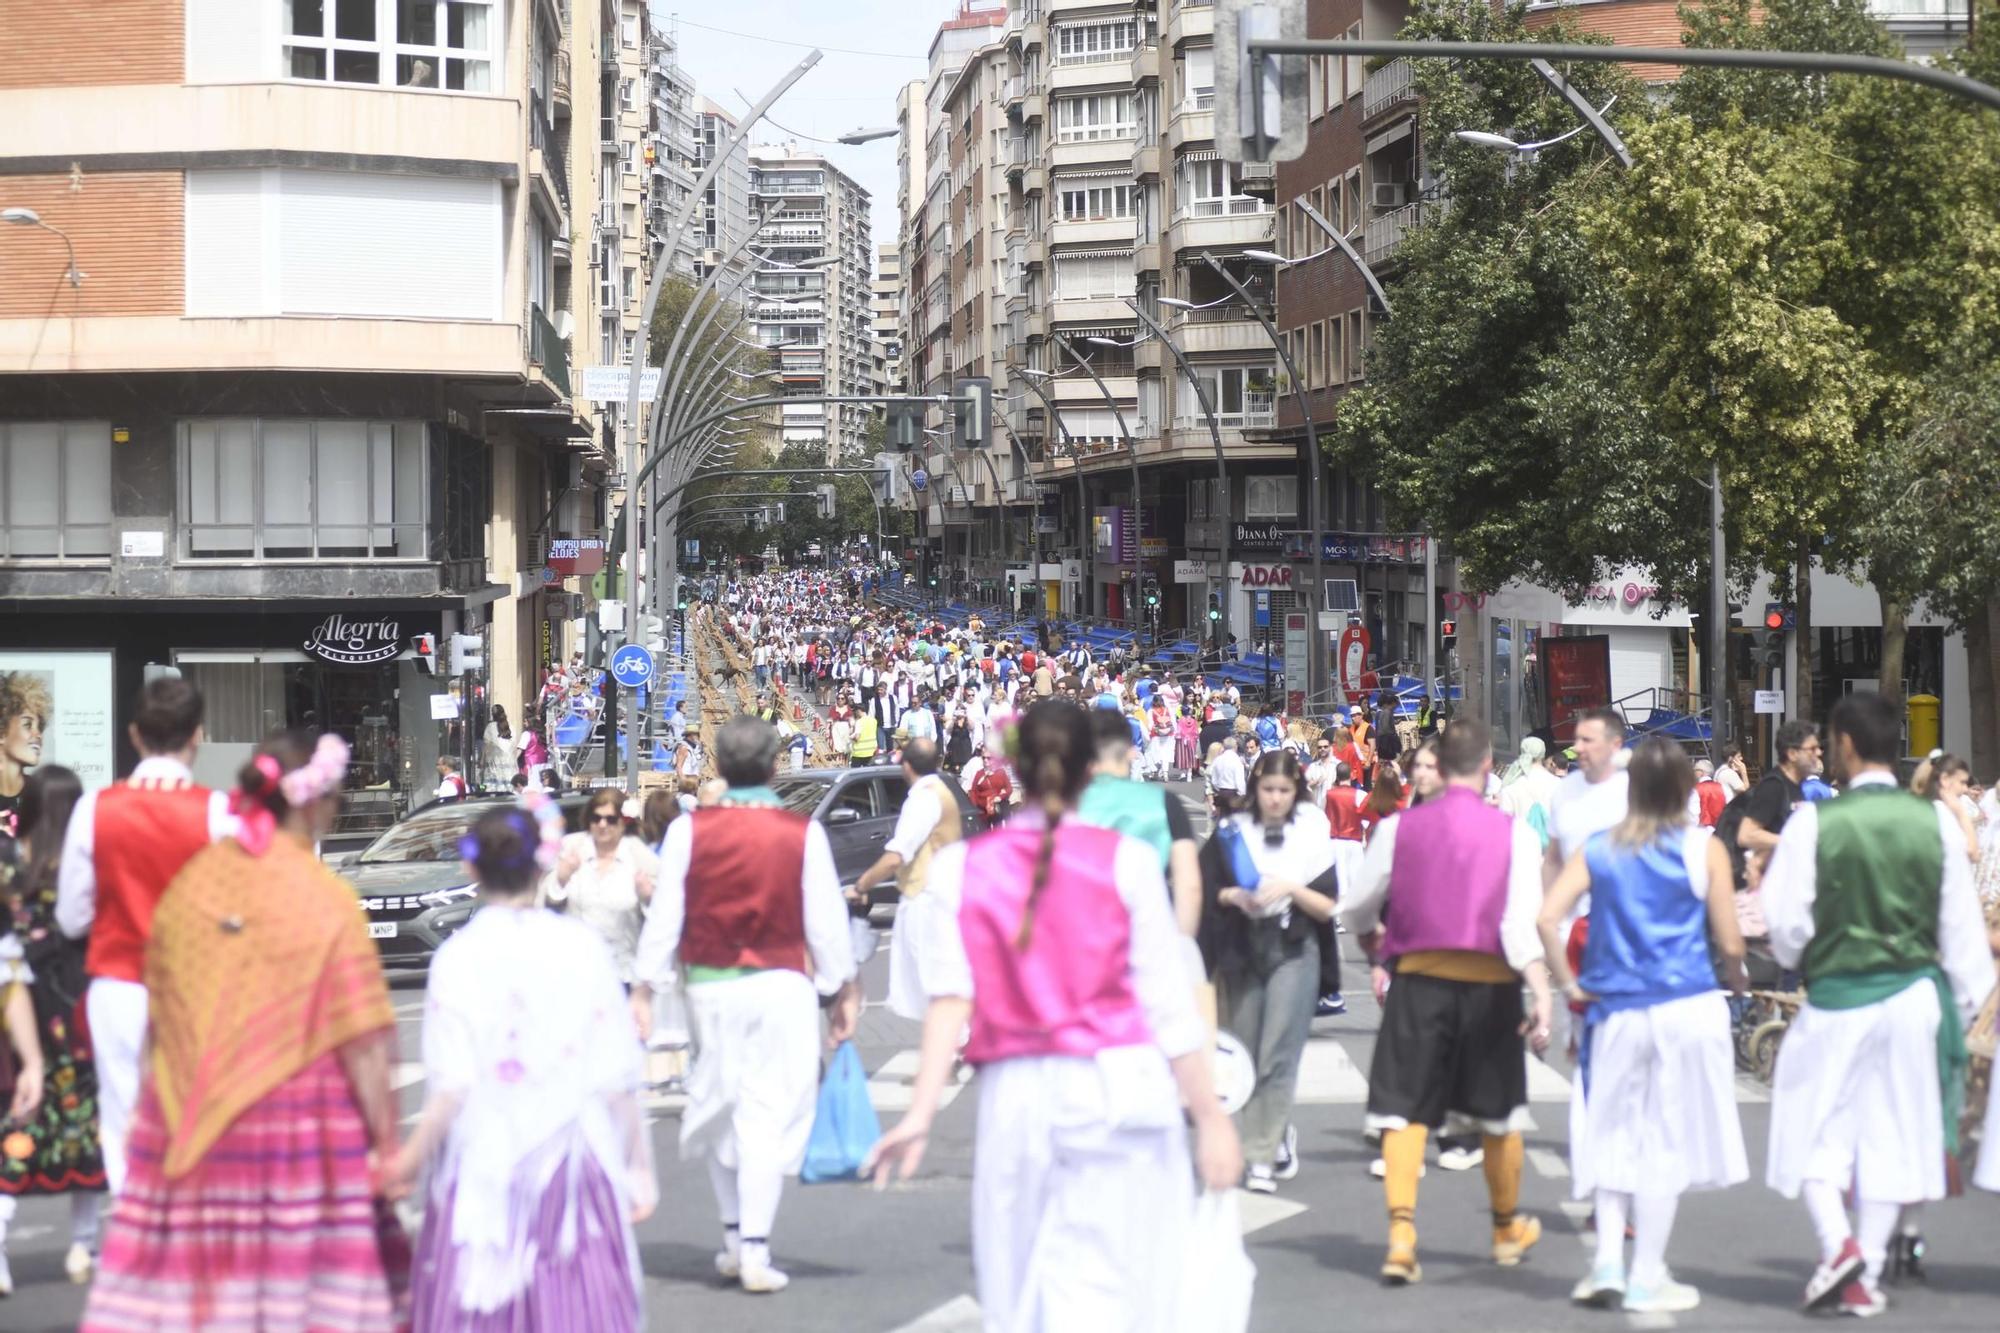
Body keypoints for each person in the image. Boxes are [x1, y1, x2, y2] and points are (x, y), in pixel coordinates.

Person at [865, 700, 1242, 1328]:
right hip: (1123, 1081)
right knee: (1122, 1280)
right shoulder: (1123, 860)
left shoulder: (964, 866)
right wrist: (1210, 1116)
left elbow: (951, 998)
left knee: (1022, 1285)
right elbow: (1167, 999)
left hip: (1021, 1091)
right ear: (1086, 768)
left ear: (1015, 767)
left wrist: (920, 1113)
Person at [81, 732, 407, 1331]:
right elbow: (364, 1039)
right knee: (294, 1289)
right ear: (312, 802)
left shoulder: (196, 884)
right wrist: (386, 1144)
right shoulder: (324, 898)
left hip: (198, 1109)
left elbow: (165, 1008)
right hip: (300, 1126)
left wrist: (156, 1108)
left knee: (207, 1285)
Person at [1760, 693, 1993, 1317]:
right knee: (1896, 1136)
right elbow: (1961, 929)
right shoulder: (1937, 822)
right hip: (1917, 996)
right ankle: (1860, 1267)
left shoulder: (1815, 822)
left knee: (1813, 1127)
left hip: (1840, 995)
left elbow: (1786, 928)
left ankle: (1842, 1249)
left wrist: (1816, 949)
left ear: (1845, 743)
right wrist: (1962, 1002)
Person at [392, 803, 655, 1331]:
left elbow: (450, 1088)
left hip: (481, 1166)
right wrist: (639, 1167)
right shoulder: (581, 947)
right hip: (572, 1163)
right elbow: (616, 1075)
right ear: (542, 864)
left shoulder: (457, 958)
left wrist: (410, 1161)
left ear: (470, 869)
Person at [631, 716, 860, 1295]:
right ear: (775, 766)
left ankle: (736, 1237)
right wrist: (841, 987)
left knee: (721, 1105)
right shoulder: (800, 832)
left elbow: (666, 917)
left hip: (707, 984)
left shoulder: (689, 831)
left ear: (720, 767)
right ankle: (752, 1245)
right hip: (781, 983)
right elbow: (826, 923)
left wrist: (644, 985)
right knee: (764, 1110)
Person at [1537, 738, 1750, 1314]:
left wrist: (1571, 983)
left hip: (1614, 1008)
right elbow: (1730, 941)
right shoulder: (1703, 849)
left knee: (1613, 1131)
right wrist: (1737, 980)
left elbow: (1547, 916)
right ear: (1686, 788)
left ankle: (1607, 1260)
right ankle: (1648, 1272)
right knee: (1666, 1137)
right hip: (1686, 1004)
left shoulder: (1601, 848)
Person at [1341, 717, 1554, 1286]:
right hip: (1490, 986)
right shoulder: (1514, 835)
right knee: (1499, 1110)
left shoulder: (1398, 830)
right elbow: (1519, 924)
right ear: (1487, 768)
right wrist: (1538, 990)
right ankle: (1506, 1228)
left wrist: (1371, 938)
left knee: (1403, 1107)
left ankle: (1402, 1235)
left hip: (1418, 982)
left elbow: (1359, 906)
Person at [56, 678, 234, 1195]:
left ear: (135, 735)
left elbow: (71, 916)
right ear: (197, 735)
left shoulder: (95, 808)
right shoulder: (218, 813)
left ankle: (135, 1235)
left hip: (118, 983)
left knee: (122, 1118)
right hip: (196, 990)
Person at [1200, 749, 1340, 1194]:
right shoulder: (1230, 832)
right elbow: (1202, 892)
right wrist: (1232, 898)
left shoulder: (1312, 833)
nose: (1276, 798)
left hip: (1294, 947)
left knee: (1279, 1051)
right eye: (1268, 790)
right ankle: (1275, 1134)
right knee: (1244, 1051)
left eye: (1284, 790)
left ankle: (1260, 1155)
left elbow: (1329, 905)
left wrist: (1292, 888)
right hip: (1240, 948)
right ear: (1254, 790)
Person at [0, 767, 104, 1288]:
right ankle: (83, 1248)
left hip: (21, 1018)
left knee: (18, 1128)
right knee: (85, 1129)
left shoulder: (11, 874)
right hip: (79, 1015)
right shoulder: (86, 874)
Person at [854, 739, 965, 1022]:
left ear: (905, 765)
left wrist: (862, 885)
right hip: (938, 895)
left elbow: (897, 855)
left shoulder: (924, 798)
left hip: (926, 897)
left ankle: (954, 1045)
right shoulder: (940, 791)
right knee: (932, 976)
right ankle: (956, 1042)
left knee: (928, 978)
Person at [1079, 709, 1203, 938]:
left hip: (1087, 934)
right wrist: (1182, 946)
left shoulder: (1066, 806)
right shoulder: (1165, 803)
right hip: (1151, 931)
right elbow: (1189, 885)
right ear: (1132, 752)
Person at [546, 788, 657, 987]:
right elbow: (546, 907)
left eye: (610, 819)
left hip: (624, 975)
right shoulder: (572, 849)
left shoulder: (639, 856)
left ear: (623, 821)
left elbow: (663, 916)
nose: (602, 825)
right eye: (596, 818)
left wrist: (648, 897)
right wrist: (561, 880)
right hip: (576, 975)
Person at [1736, 720, 1821, 887]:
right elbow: (1746, 835)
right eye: (1811, 748)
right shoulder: (1774, 785)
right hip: (1772, 886)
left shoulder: (1796, 786)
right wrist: (1794, 841)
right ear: (1792, 754)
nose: (1818, 753)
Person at [0, 671, 50, 836]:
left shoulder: (43, 796)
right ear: (2, 733)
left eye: (39, 727)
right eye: (28, 725)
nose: (38, 735)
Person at [1209, 736, 1248, 817]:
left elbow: (1214, 779)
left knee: (1222, 818)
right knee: (1235, 819)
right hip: (1233, 793)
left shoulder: (1218, 759)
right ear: (1235, 746)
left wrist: (1219, 788)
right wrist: (1242, 794)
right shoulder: (1237, 760)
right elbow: (1239, 781)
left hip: (1222, 792)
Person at [1691, 758, 1729, 829]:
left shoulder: (1695, 789)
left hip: (1702, 832)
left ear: (1701, 772)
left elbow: (1693, 816)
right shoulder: (1724, 787)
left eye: (1695, 770)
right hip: (1719, 831)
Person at [482, 705, 513, 790]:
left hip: (494, 762)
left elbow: (487, 746)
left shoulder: (490, 727)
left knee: (492, 787)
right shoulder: (510, 726)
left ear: (492, 714)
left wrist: (482, 761)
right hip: (508, 762)